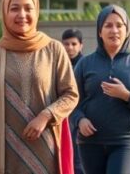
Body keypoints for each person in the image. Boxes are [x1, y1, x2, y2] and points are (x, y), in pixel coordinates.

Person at [0, 0, 79, 174]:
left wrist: (45, 116)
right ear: (4, 11)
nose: (22, 14)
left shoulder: (54, 50)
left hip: (44, 150)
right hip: (2, 154)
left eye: (28, 8)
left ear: (36, 10)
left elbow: (71, 94)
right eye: (14, 8)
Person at [72, 5, 130, 174]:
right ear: (99, 32)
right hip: (90, 142)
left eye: (119, 25)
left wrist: (127, 96)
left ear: (127, 30)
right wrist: (80, 120)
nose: (114, 30)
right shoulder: (84, 64)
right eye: (108, 25)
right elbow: (71, 101)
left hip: (126, 141)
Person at [61, 27, 85, 174]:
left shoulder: (86, 65)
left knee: (79, 163)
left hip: (80, 119)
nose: (70, 47)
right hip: (61, 118)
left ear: (81, 45)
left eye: (73, 44)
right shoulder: (58, 65)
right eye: (66, 44)